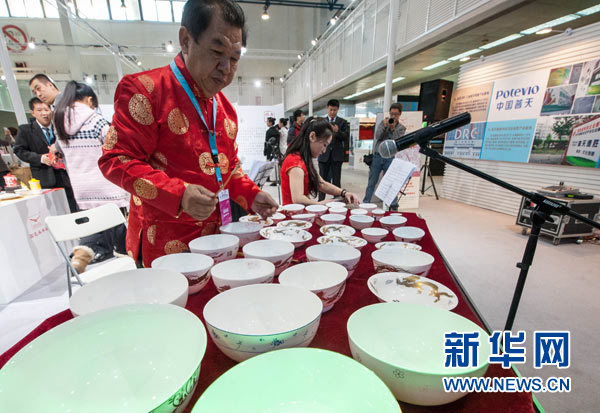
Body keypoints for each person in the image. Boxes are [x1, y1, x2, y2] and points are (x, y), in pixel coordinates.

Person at [98, 0, 278, 267]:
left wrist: (251, 195)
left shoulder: (225, 109)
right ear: (185, 40)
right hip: (165, 244)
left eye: (234, 58)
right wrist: (178, 194)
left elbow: (229, 170)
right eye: (217, 52)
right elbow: (116, 160)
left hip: (219, 240)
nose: (226, 68)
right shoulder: (146, 91)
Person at [52, 81, 130, 273]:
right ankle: (128, 262)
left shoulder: (59, 122)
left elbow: (59, 149)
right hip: (106, 183)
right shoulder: (96, 120)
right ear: (89, 100)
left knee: (93, 225)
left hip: (81, 187)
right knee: (118, 227)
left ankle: (82, 255)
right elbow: (115, 147)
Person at [13, 98, 78, 212]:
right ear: (32, 112)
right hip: (44, 177)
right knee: (53, 211)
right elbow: (19, 150)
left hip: (66, 176)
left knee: (72, 208)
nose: (44, 113)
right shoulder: (26, 130)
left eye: (47, 110)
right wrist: (40, 158)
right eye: (39, 110)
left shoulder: (60, 128)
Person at [280, 117, 359, 206]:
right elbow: (297, 199)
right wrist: (320, 204)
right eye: (324, 145)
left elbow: (321, 183)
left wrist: (344, 193)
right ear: (312, 136)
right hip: (293, 213)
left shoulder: (304, 159)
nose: (324, 151)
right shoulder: (295, 161)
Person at [363, 103, 406, 211]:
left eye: (396, 114)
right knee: (372, 182)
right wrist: (386, 127)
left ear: (400, 114)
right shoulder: (383, 123)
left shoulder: (401, 128)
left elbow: (397, 142)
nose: (393, 116)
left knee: (391, 182)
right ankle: (365, 203)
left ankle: (393, 205)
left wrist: (392, 129)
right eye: (392, 114)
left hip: (390, 158)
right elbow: (377, 136)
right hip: (378, 157)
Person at [317, 99, 349, 201]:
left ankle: (337, 202)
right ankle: (320, 201)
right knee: (321, 181)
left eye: (334, 110)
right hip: (323, 155)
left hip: (337, 156)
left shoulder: (343, 122)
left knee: (336, 181)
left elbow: (346, 137)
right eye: (330, 110)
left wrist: (337, 131)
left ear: (338, 109)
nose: (332, 112)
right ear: (327, 108)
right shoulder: (321, 122)